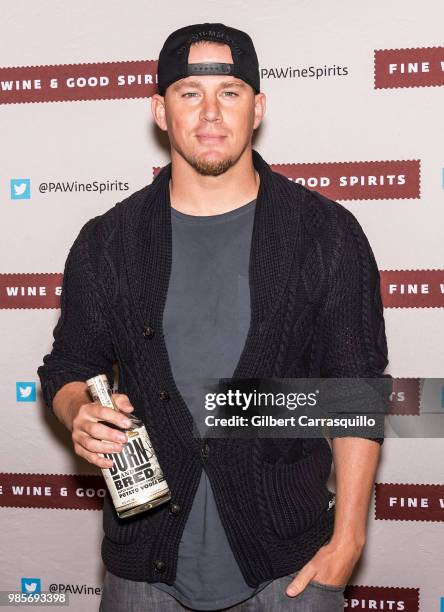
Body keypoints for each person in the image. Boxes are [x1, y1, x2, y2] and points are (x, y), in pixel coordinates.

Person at [37, 22, 390, 612]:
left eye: (229, 93)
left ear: (257, 109)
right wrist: (77, 410)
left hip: (290, 568)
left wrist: (349, 538)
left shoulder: (326, 233)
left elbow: (354, 389)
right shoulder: (108, 242)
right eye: (189, 93)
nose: (209, 113)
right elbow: (70, 365)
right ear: (159, 109)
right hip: (145, 568)